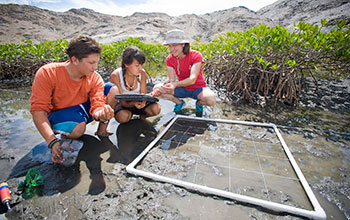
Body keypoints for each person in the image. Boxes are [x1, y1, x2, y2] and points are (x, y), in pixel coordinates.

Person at [30, 35, 117, 164]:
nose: (95, 67)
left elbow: (97, 102)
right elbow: (38, 111)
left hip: (80, 109)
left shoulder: (94, 77)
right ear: (75, 60)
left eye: (97, 62)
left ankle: (101, 130)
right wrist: (52, 141)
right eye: (91, 63)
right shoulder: (47, 73)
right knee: (78, 129)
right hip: (59, 113)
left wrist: (101, 114)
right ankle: (65, 134)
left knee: (112, 90)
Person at [153, 29, 216, 117]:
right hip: (182, 88)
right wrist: (169, 84)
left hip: (197, 88)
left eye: (174, 45)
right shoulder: (169, 59)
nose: (171, 49)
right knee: (157, 88)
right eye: (169, 46)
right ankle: (179, 103)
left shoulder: (196, 55)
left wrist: (175, 84)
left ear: (183, 44)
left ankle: (199, 104)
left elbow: (192, 79)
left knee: (211, 99)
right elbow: (172, 80)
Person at [108, 46, 161, 124]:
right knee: (123, 117)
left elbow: (143, 94)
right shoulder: (116, 75)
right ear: (126, 64)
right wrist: (133, 103)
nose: (140, 68)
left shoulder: (142, 73)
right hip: (124, 105)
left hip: (138, 103)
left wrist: (151, 95)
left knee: (156, 108)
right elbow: (121, 101)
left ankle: (142, 117)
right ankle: (129, 120)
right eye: (137, 65)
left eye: (141, 65)